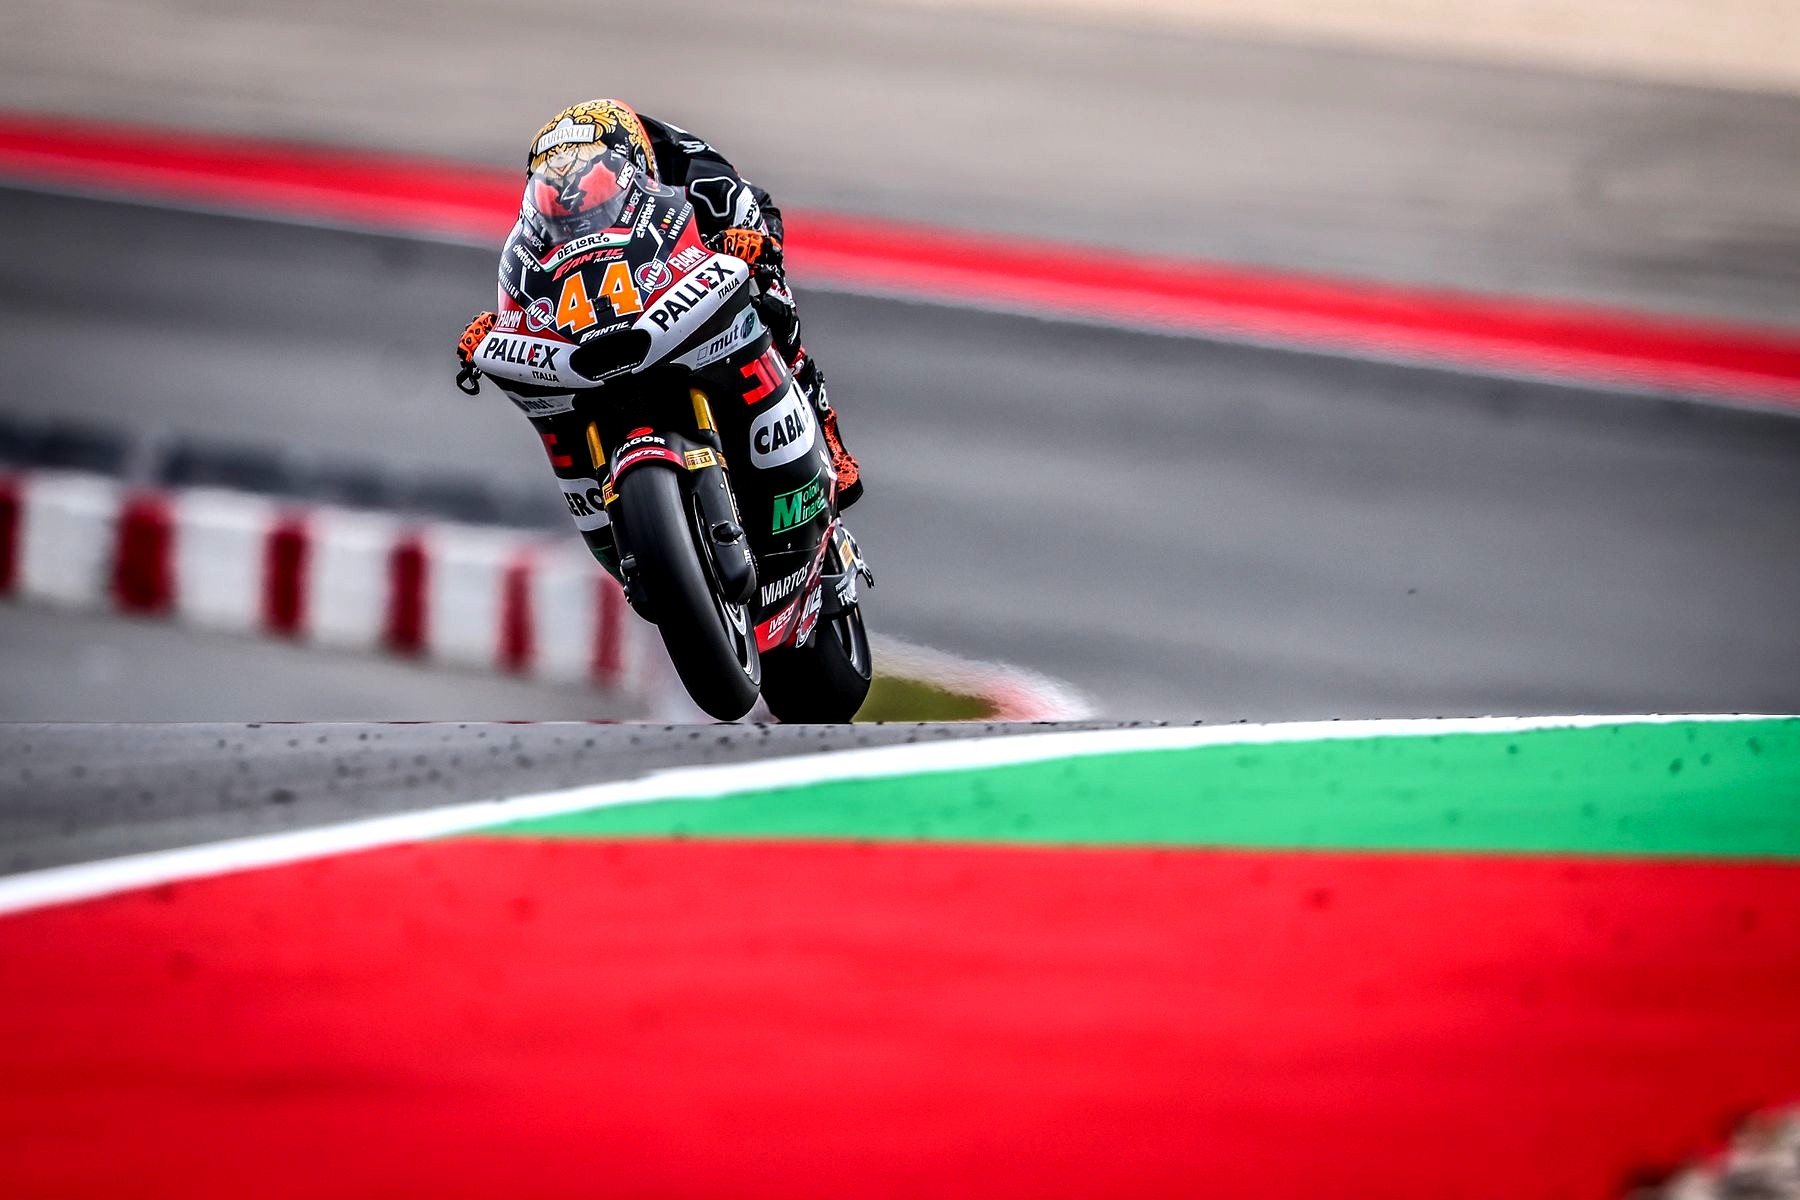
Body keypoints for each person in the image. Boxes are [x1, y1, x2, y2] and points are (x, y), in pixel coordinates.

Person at [454, 98, 861, 507]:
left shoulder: (704, 181)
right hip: (616, 283)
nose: (579, 221)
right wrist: (505, 326)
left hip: (708, 240)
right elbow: (532, 278)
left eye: (596, 206)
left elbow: (758, 226)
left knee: (775, 310)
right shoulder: (548, 207)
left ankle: (827, 433)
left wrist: (755, 249)